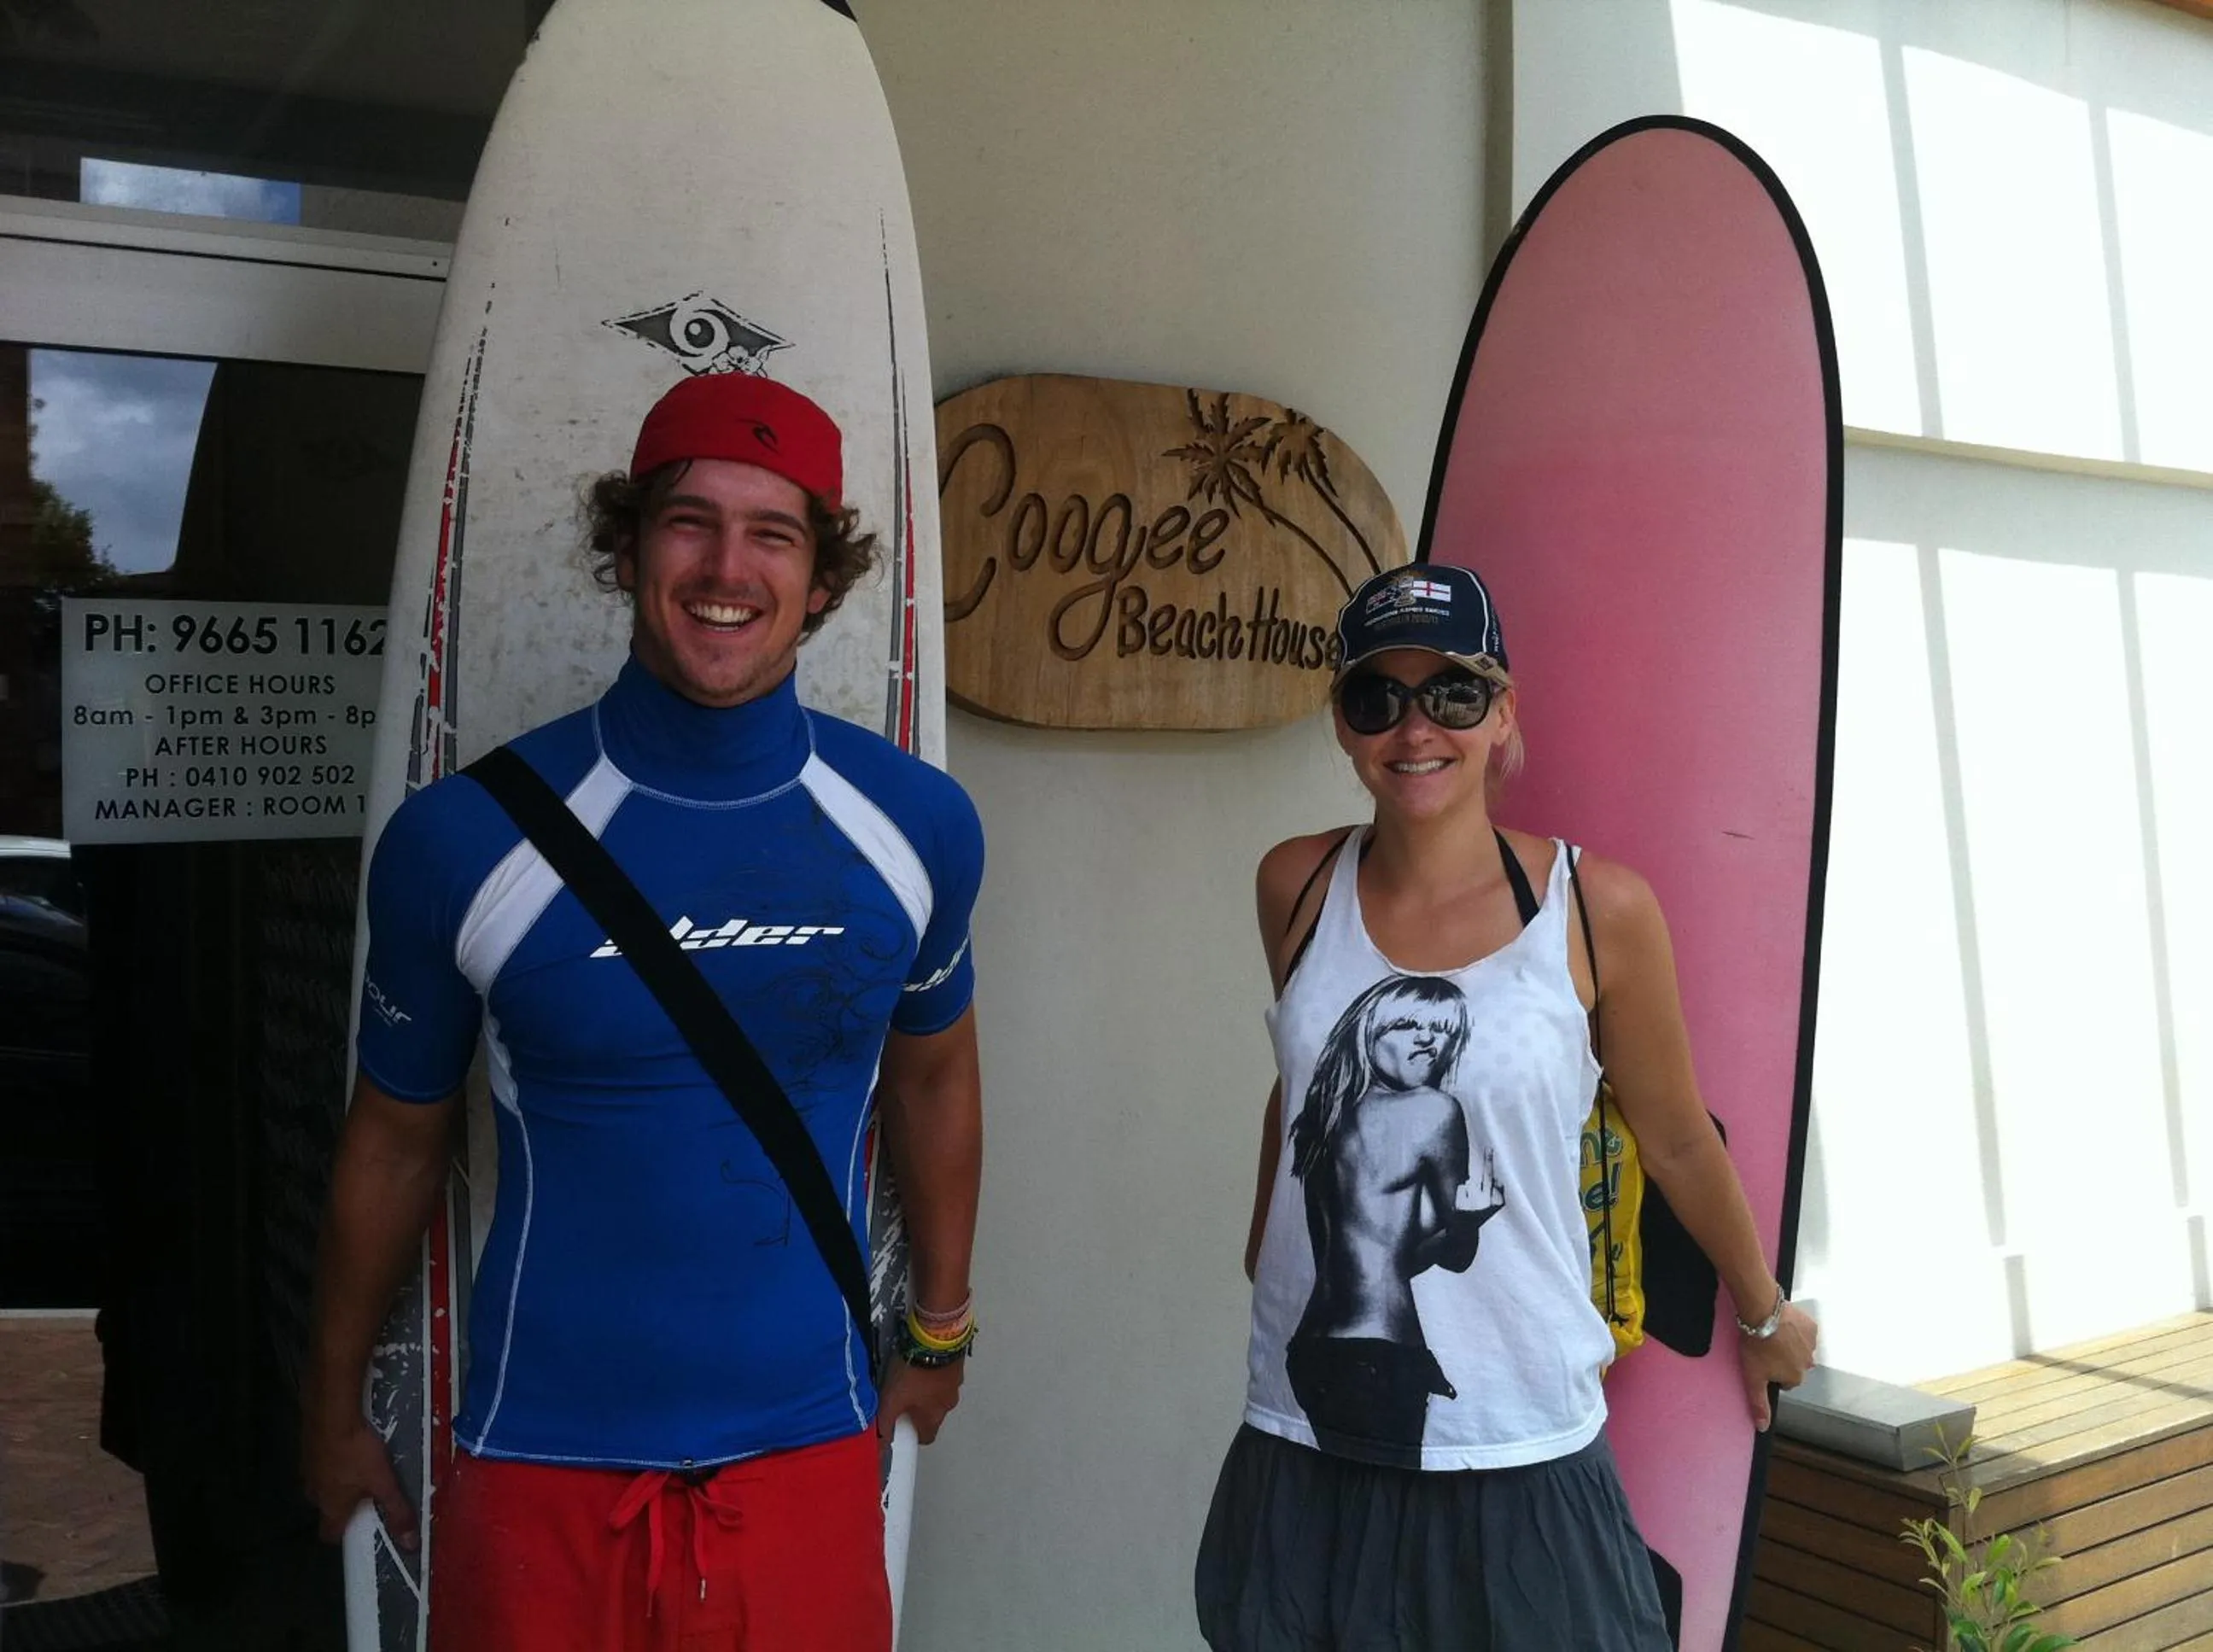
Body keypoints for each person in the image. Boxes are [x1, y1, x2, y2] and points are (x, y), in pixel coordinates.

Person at [303, 372, 984, 1651]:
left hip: (804, 1455)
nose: (727, 565)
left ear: (824, 578)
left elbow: (937, 1076)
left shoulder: (915, 827)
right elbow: (394, 1138)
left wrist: (940, 1326)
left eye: (775, 532)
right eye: (688, 520)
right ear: (625, 549)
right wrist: (333, 1404)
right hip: (538, 1459)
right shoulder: (461, 839)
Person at [1195, 563, 1816, 1650]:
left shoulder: (1594, 909)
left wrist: (1762, 1316)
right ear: (1344, 726)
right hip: (1309, 1416)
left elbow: (1673, 1136)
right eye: (1376, 698)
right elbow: (1303, 1079)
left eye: (1453, 693)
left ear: (1504, 713)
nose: (1414, 727)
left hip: (1515, 1428)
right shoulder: (1293, 884)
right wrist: (1267, 1244)